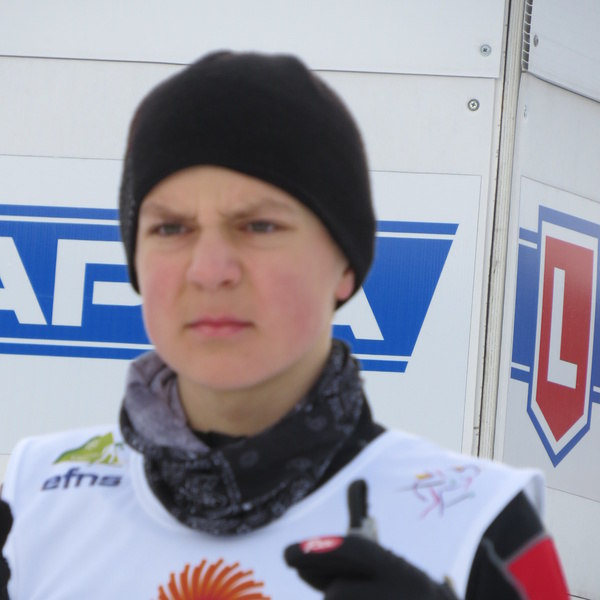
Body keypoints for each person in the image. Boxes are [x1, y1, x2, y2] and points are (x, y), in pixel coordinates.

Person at [0, 50, 569, 599]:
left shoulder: (479, 522)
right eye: (171, 229)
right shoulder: (33, 503)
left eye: (259, 226)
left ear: (345, 264)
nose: (210, 270)